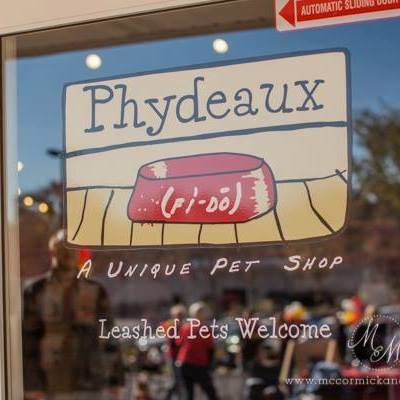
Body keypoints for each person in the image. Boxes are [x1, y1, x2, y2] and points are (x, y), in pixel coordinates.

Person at [23, 229, 124, 400]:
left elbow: (109, 334)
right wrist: (32, 384)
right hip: (52, 379)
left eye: (73, 249)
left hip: (91, 376)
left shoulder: (95, 290)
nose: (68, 254)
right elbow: (28, 339)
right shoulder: (37, 291)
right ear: (53, 252)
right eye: (63, 249)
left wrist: (116, 379)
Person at [176, 302, 218, 400]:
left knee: (189, 394)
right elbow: (210, 347)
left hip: (184, 363)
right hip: (198, 363)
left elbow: (179, 343)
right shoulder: (204, 329)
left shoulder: (185, 327)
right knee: (210, 392)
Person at [162, 304, 186, 400]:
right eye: (178, 314)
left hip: (181, 356)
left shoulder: (183, 325)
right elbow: (171, 339)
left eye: (181, 314)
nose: (180, 316)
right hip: (172, 355)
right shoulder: (170, 325)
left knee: (180, 380)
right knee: (175, 380)